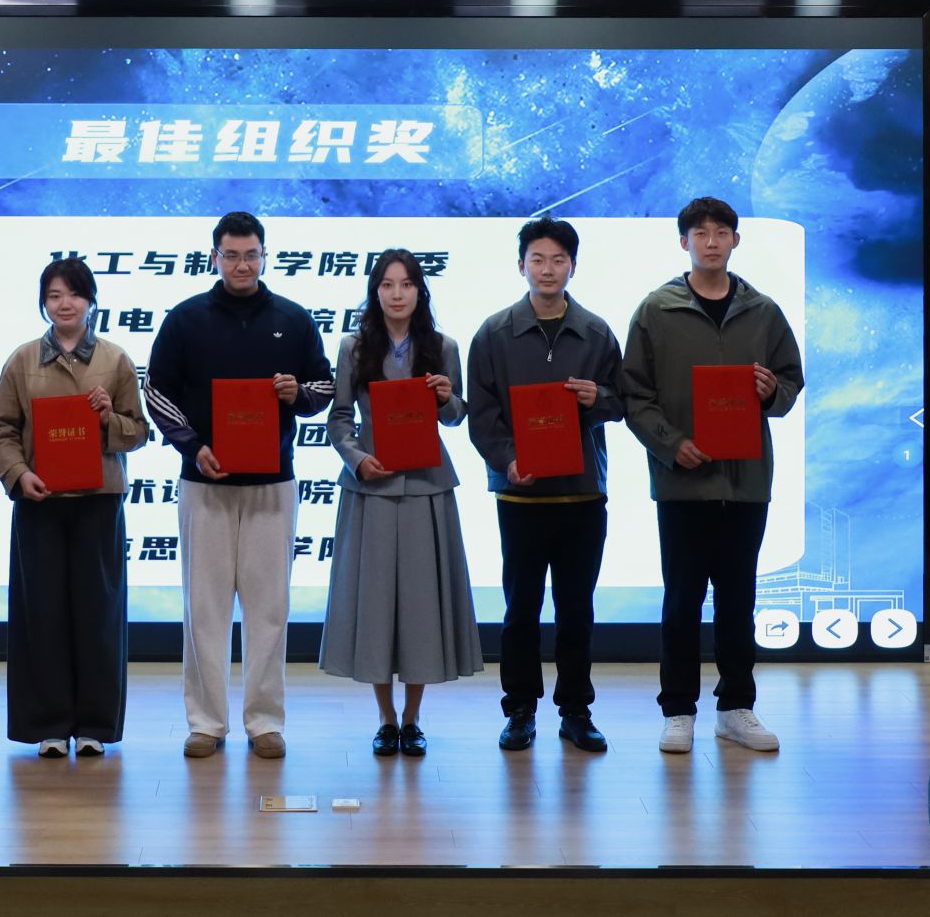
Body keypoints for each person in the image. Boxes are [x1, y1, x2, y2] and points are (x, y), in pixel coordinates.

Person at [144, 211, 334, 760]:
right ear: (215, 257)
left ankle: (264, 721)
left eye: (251, 254)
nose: (242, 264)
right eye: (231, 255)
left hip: (272, 484)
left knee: (268, 608)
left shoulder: (293, 319)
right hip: (204, 482)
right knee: (204, 609)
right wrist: (192, 445)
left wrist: (297, 393)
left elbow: (324, 387)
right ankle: (206, 723)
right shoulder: (185, 319)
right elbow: (156, 391)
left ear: (265, 256)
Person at [619, 197, 804, 755]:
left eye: (722, 232)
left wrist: (772, 392)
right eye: (700, 233)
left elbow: (790, 381)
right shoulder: (657, 309)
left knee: (738, 600)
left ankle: (735, 708)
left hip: (746, 481)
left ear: (736, 241)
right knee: (681, 601)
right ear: (684, 243)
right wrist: (672, 445)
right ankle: (678, 711)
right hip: (683, 481)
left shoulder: (763, 311)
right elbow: (634, 394)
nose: (711, 241)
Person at [466, 215, 624, 754]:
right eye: (538, 259)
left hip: (583, 493)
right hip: (521, 493)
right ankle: (519, 710)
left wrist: (597, 399)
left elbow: (622, 401)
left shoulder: (596, 332)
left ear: (573, 267)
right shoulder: (494, 332)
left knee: (577, 608)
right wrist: (508, 461)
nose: (548, 269)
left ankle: (576, 710)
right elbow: (482, 414)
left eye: (558, 260)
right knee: (521, 609)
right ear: (521, 266)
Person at [320, 249, 483, 757]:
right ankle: (385, 718)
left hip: (427, 487)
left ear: (419, 291)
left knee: (420, 605)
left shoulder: (442, 346)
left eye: (406, 284)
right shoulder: (353, 347)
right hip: (371, 485)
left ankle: (412, 719)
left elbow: (456, 416)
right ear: (375, 292)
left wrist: (446, 397)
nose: (396, 294)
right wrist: (357, 459)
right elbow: (339, 419)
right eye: (387, 285)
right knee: (375, 604)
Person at [0, 257, 149, 759]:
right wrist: (19, 474)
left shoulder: (115, 360)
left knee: (99, 615)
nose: (65, 304)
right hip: (40, 502)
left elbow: (138, 431)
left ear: (91, 301)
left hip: (98, 503)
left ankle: (95, 725)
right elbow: (1, 431)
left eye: (74, 294)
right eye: (54, 295)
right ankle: (49, 726)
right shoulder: (21, 361)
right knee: (43, 615)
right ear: (43, 303)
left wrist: (107, 419)